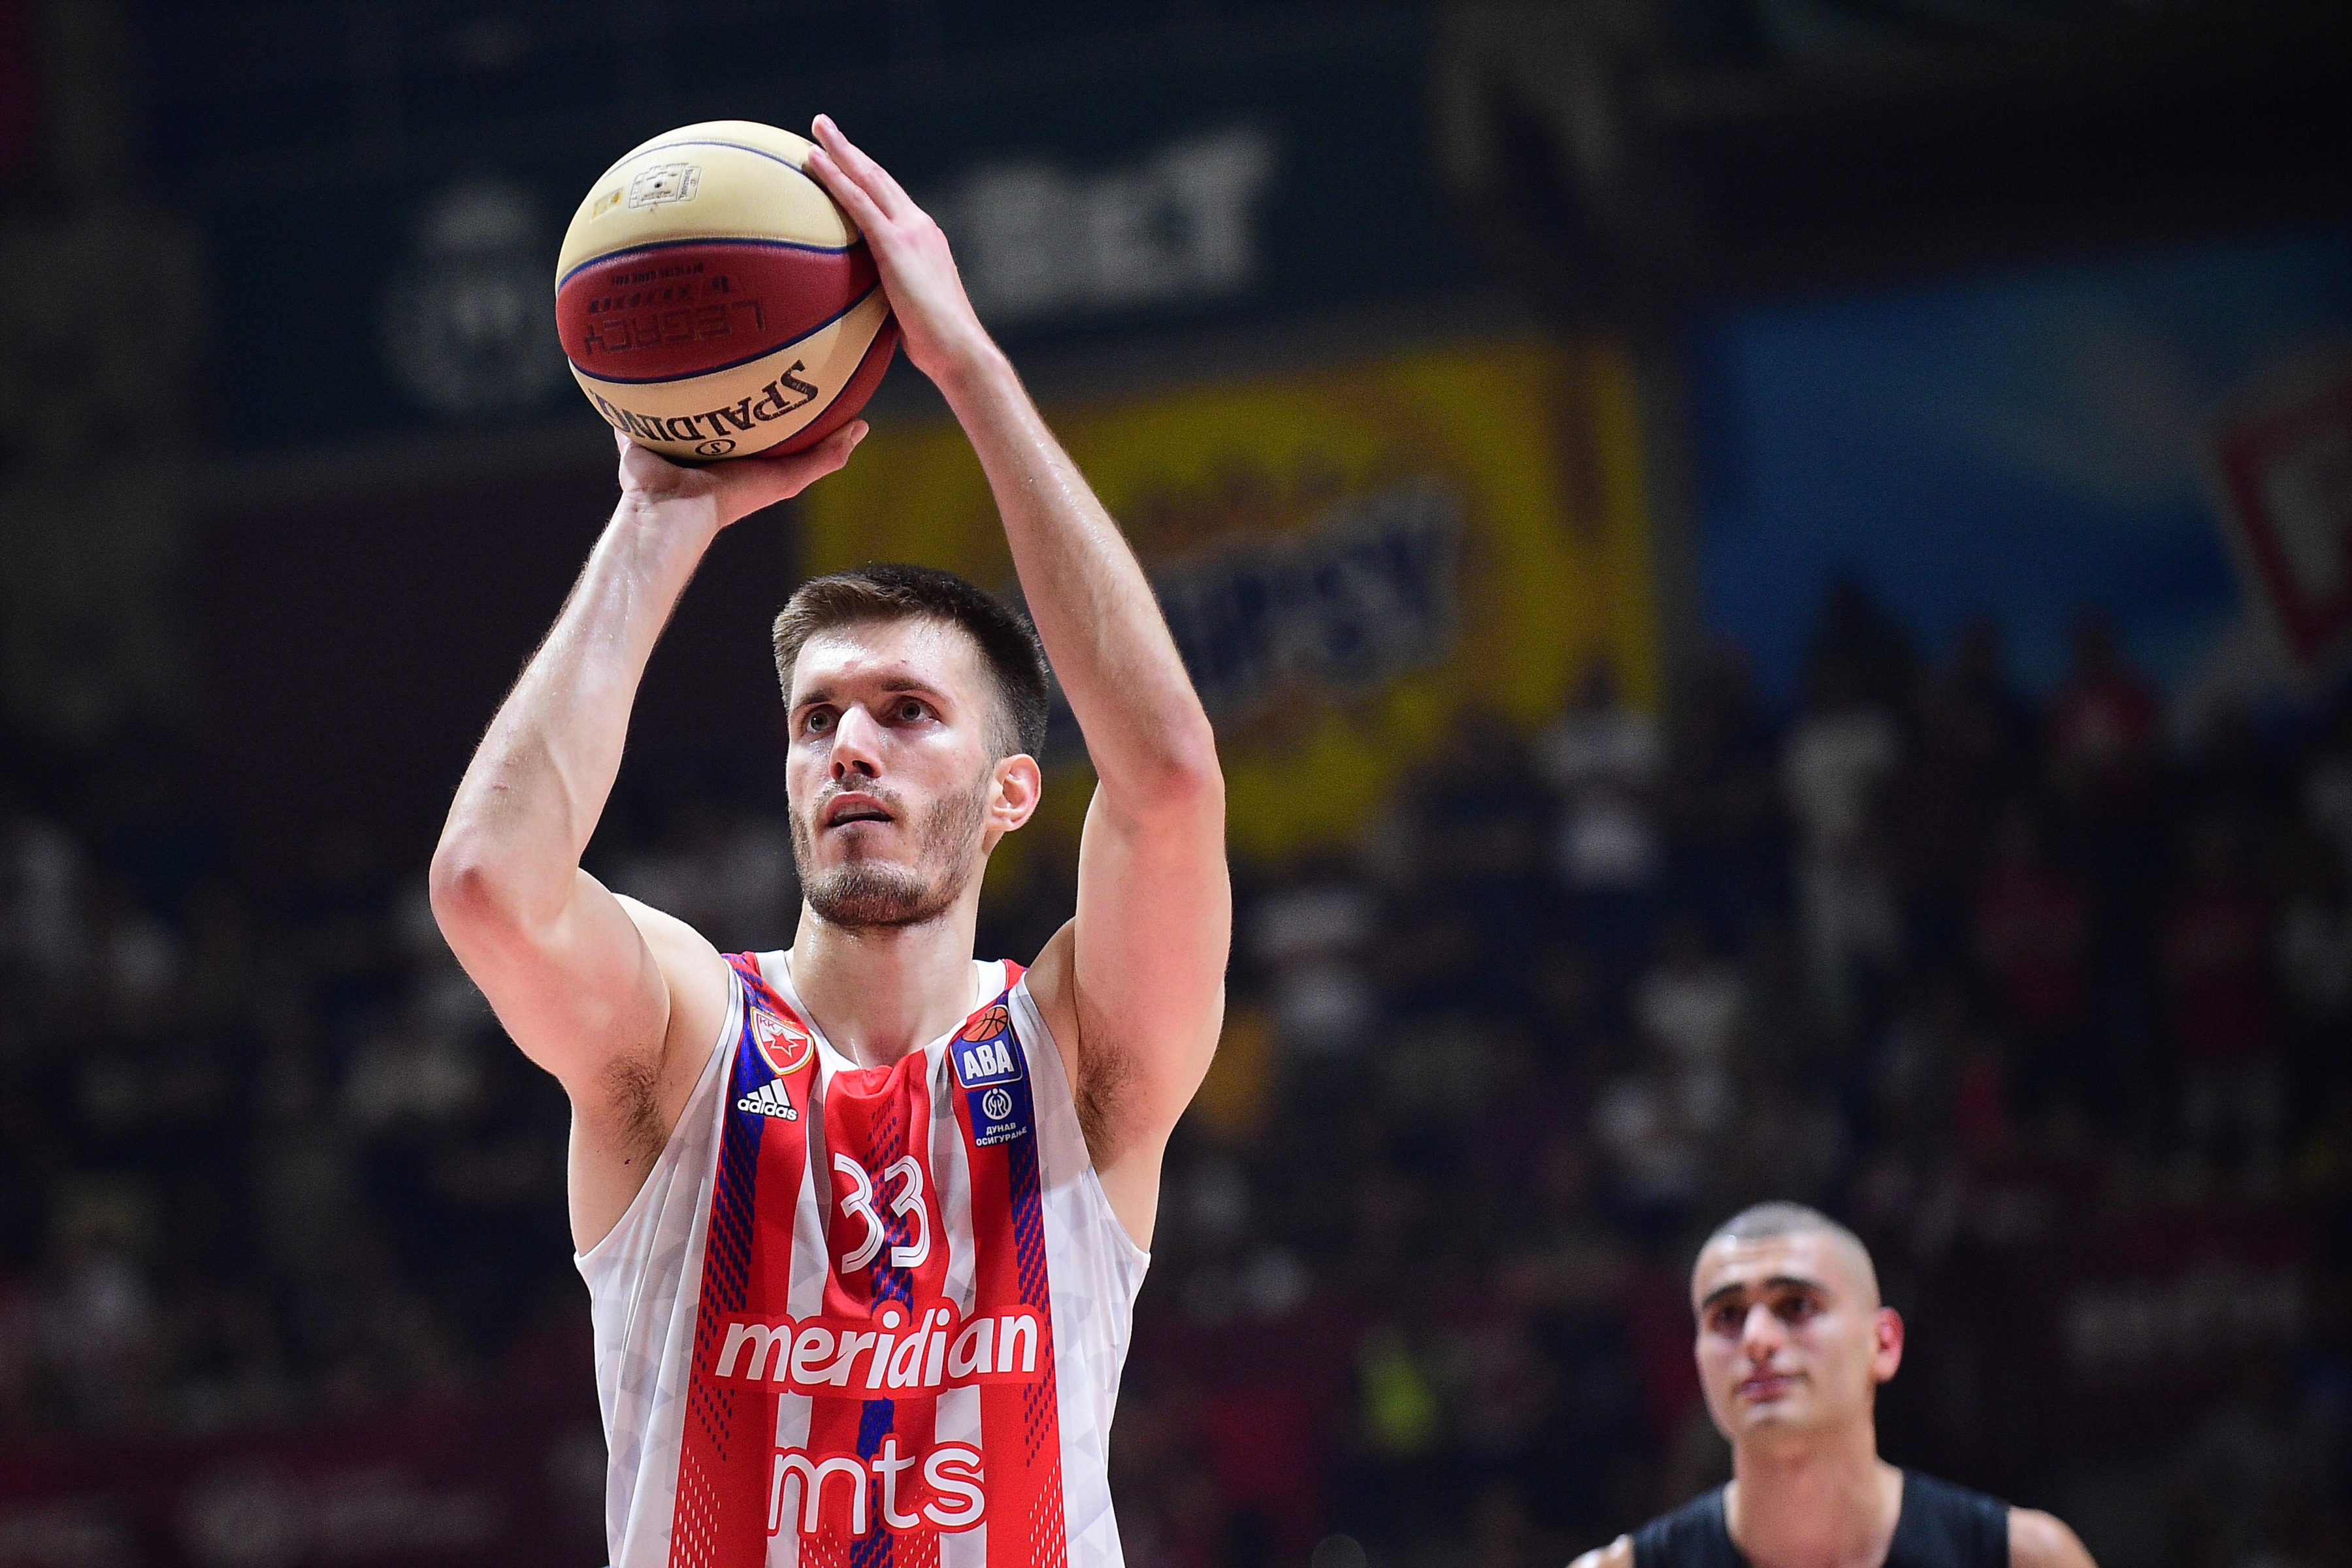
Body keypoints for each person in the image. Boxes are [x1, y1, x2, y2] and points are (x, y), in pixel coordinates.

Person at [429, 115, 1229, 1566]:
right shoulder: (678, 1044)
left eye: (909, 710)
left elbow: (1170, 780)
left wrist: (968, 369)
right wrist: (655, 525)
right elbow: (490, 882)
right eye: (817, 721)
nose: (849, 743)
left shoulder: (1079, 1053)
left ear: (1008, 794)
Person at [1571, 1203, 2096, 1568]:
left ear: (1884, 1343)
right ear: (1700, 1361)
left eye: (1796, 1307)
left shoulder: (2023, 1557)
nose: (1757, 1339)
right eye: (1727, 1317)